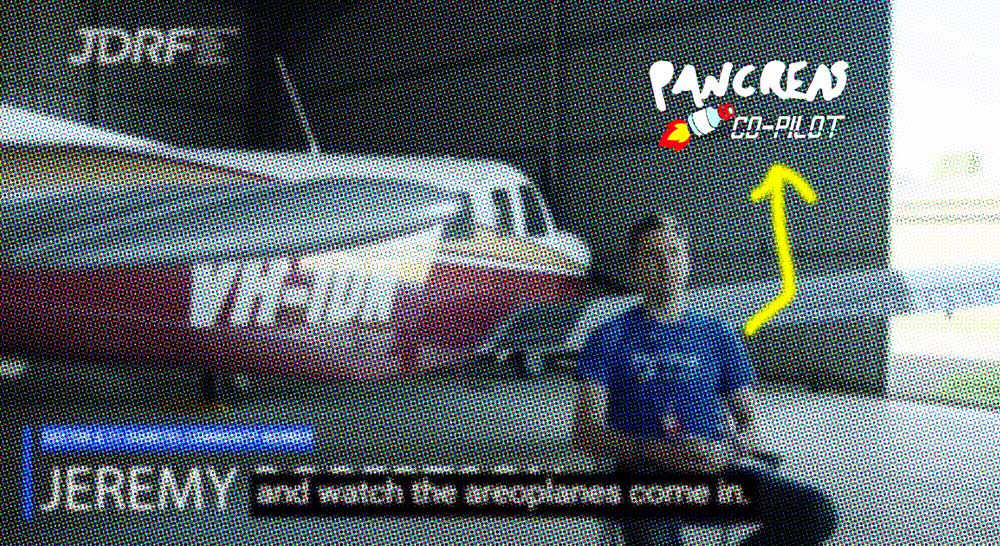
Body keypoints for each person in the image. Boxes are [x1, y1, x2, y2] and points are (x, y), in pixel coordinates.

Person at [571, 211, 838, 545]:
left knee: (815, 512)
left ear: (688, 261)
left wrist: (728, 450)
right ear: (634, 269)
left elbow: (749, 421)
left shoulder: (718, 334)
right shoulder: (608, 337)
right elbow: (585, 433)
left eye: (674, 253)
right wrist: (662, 452)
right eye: (652, 256)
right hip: (644, 475)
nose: (666, 264)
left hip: (712, 470)